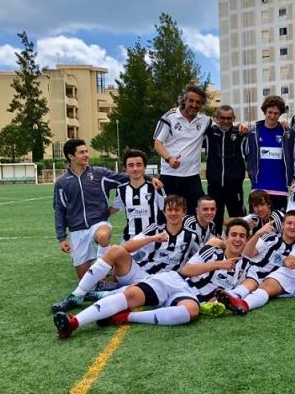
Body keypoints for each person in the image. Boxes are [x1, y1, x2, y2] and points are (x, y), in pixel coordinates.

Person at [50, 195, 200, 313]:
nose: (173, 213)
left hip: (162, 281)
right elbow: (127, 247)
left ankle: (103, 293)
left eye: (177, 210)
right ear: (164, 211)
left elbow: (198, 259)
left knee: (133, 294)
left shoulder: (192, 236)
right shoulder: (155, 229)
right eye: (170, 210)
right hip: (139, 272)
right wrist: (153, 238)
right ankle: (77, 295)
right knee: (116, 249)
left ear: (184, 212)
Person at [54, 139, 155, 280]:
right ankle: (100, 277)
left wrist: (150, 179)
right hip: (77, 229)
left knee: (103, 236)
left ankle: (104, 264)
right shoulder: (62, 183)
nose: (86, 154)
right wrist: (62, 237)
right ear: (71, 156)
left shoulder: (99, 174)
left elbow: (125, 177)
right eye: (82, 152)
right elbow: (59, 210)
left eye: (86, 151)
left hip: (99, 223)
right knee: (85, 278)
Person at [217, 211, 295, 318]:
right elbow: (247, 254)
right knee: (258, 282)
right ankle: (240, 302)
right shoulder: (272, 238)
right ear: (282, 225)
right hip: (261, 274)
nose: (292, 227)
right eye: (289, 223)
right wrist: (259, 234)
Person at [53, 269, 199, 338]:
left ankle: (123, 317)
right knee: (131, 294)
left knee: (191, 311)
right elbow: (188, 268)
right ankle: (73, 323)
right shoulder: (209, 246)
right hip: (176, 280)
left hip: (192, 294)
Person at [153, 84, 213, 213]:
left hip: (192, 176)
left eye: (198, 102)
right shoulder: (169, 117)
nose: (194, 105)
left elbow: (223, 125)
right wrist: (169, 158)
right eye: (191, 100)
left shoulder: (205, 121)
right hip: (169, 175)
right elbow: (157, 143)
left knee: (196, 213)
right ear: (184, 100)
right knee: (166, 213)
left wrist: (241, 126)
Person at [180, 218, 256, 314]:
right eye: (233, 235)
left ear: (246, 240)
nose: (237, 239)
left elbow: (236, 291)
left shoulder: (246, 265)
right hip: (185, 290)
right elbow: (185, 270)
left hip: (205, 304)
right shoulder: (211, 251)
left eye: (242, 236)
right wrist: (218, 264)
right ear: (226, 237)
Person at [244, 95, 295, 211]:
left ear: (280, 114)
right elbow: (246, 155)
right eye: (270, 112)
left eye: (276, 113)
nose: (272, 116)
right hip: (258, 187)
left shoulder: (287, 133)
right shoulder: (253, 132)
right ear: (264, 111)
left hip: (280, 188)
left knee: (278, 221)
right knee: (256, 221)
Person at [109, 149, 165, 243]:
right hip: (130, 239)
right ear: (125, 168)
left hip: (153, 239)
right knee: (115, 251)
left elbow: (166, 211)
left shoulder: (155, 187)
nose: (135, 169)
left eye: (139, 165)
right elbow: (113, 210)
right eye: (131, 165)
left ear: (145, 167)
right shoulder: (121, 189)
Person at [204, 105, 247, 228]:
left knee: (238, 218)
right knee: (214, 218)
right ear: (216, 118)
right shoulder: (209, 133)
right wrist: (176, 110)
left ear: (234, 118)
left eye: (229, 118)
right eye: (222, 118)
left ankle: (240, 239)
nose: (226, 121)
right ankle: (215, 238)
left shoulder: (240, 134)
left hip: (234, 186)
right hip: (215, 185)